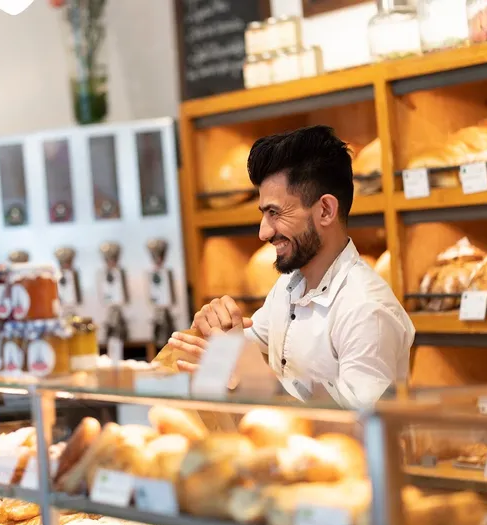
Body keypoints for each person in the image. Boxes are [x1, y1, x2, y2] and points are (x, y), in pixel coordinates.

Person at [168, 126, 415, 409]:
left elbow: (364, 430)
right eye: (263, 214)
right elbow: (239, 358)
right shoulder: (289, 287)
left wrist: (253, 380)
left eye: (275, 213)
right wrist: (216, 330)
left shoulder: (367, 310)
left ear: (325, 210)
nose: (263, 233)